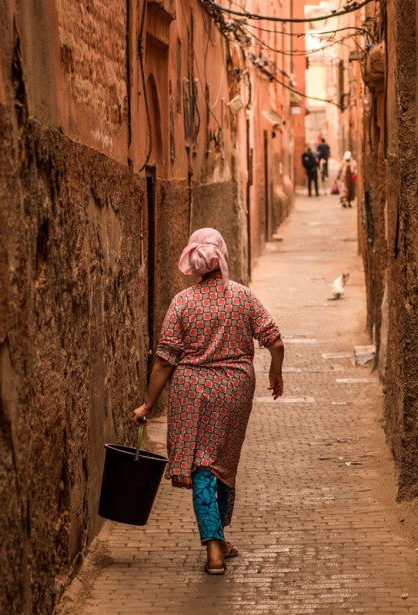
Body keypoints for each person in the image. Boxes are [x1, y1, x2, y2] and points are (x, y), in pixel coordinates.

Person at [132, 228, 285, 575]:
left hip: (190, 392)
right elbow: (275, 341)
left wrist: (147, 405)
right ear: (223, 256)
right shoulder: (244, 298)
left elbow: (164, 361)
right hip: (234, 390)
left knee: (201, 465)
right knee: (221, 463)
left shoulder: (182, 303)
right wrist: (276, 374)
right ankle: (219, 540)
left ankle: (214, 548)